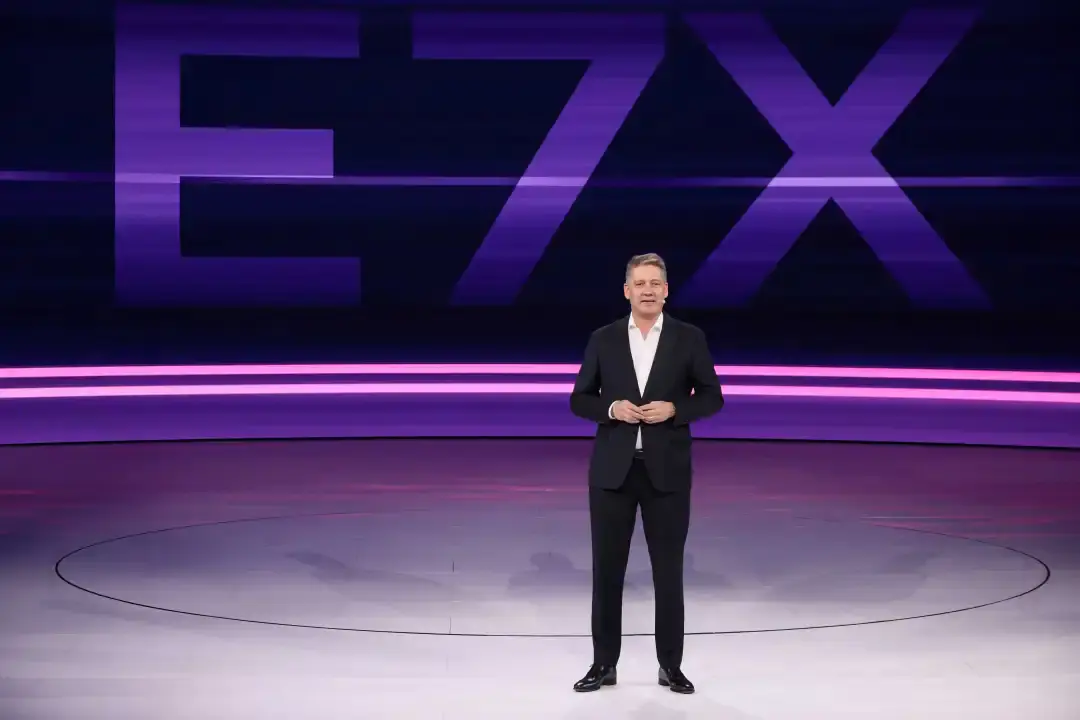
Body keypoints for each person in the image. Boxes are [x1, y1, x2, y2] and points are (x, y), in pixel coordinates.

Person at [568, 253, 724, 694]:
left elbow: (712, 396)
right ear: (627, 291)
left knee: (668, 574)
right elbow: (580, 399)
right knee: (607, 573)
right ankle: (603, 664)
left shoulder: (688, 338)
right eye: (640, 283)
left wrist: (675, 409)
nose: (648, 290)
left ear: (666, 290)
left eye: (656, 283)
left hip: (667, 473)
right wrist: (611, 408)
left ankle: (670, 666)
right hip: (612, 474)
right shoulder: (603, 338)